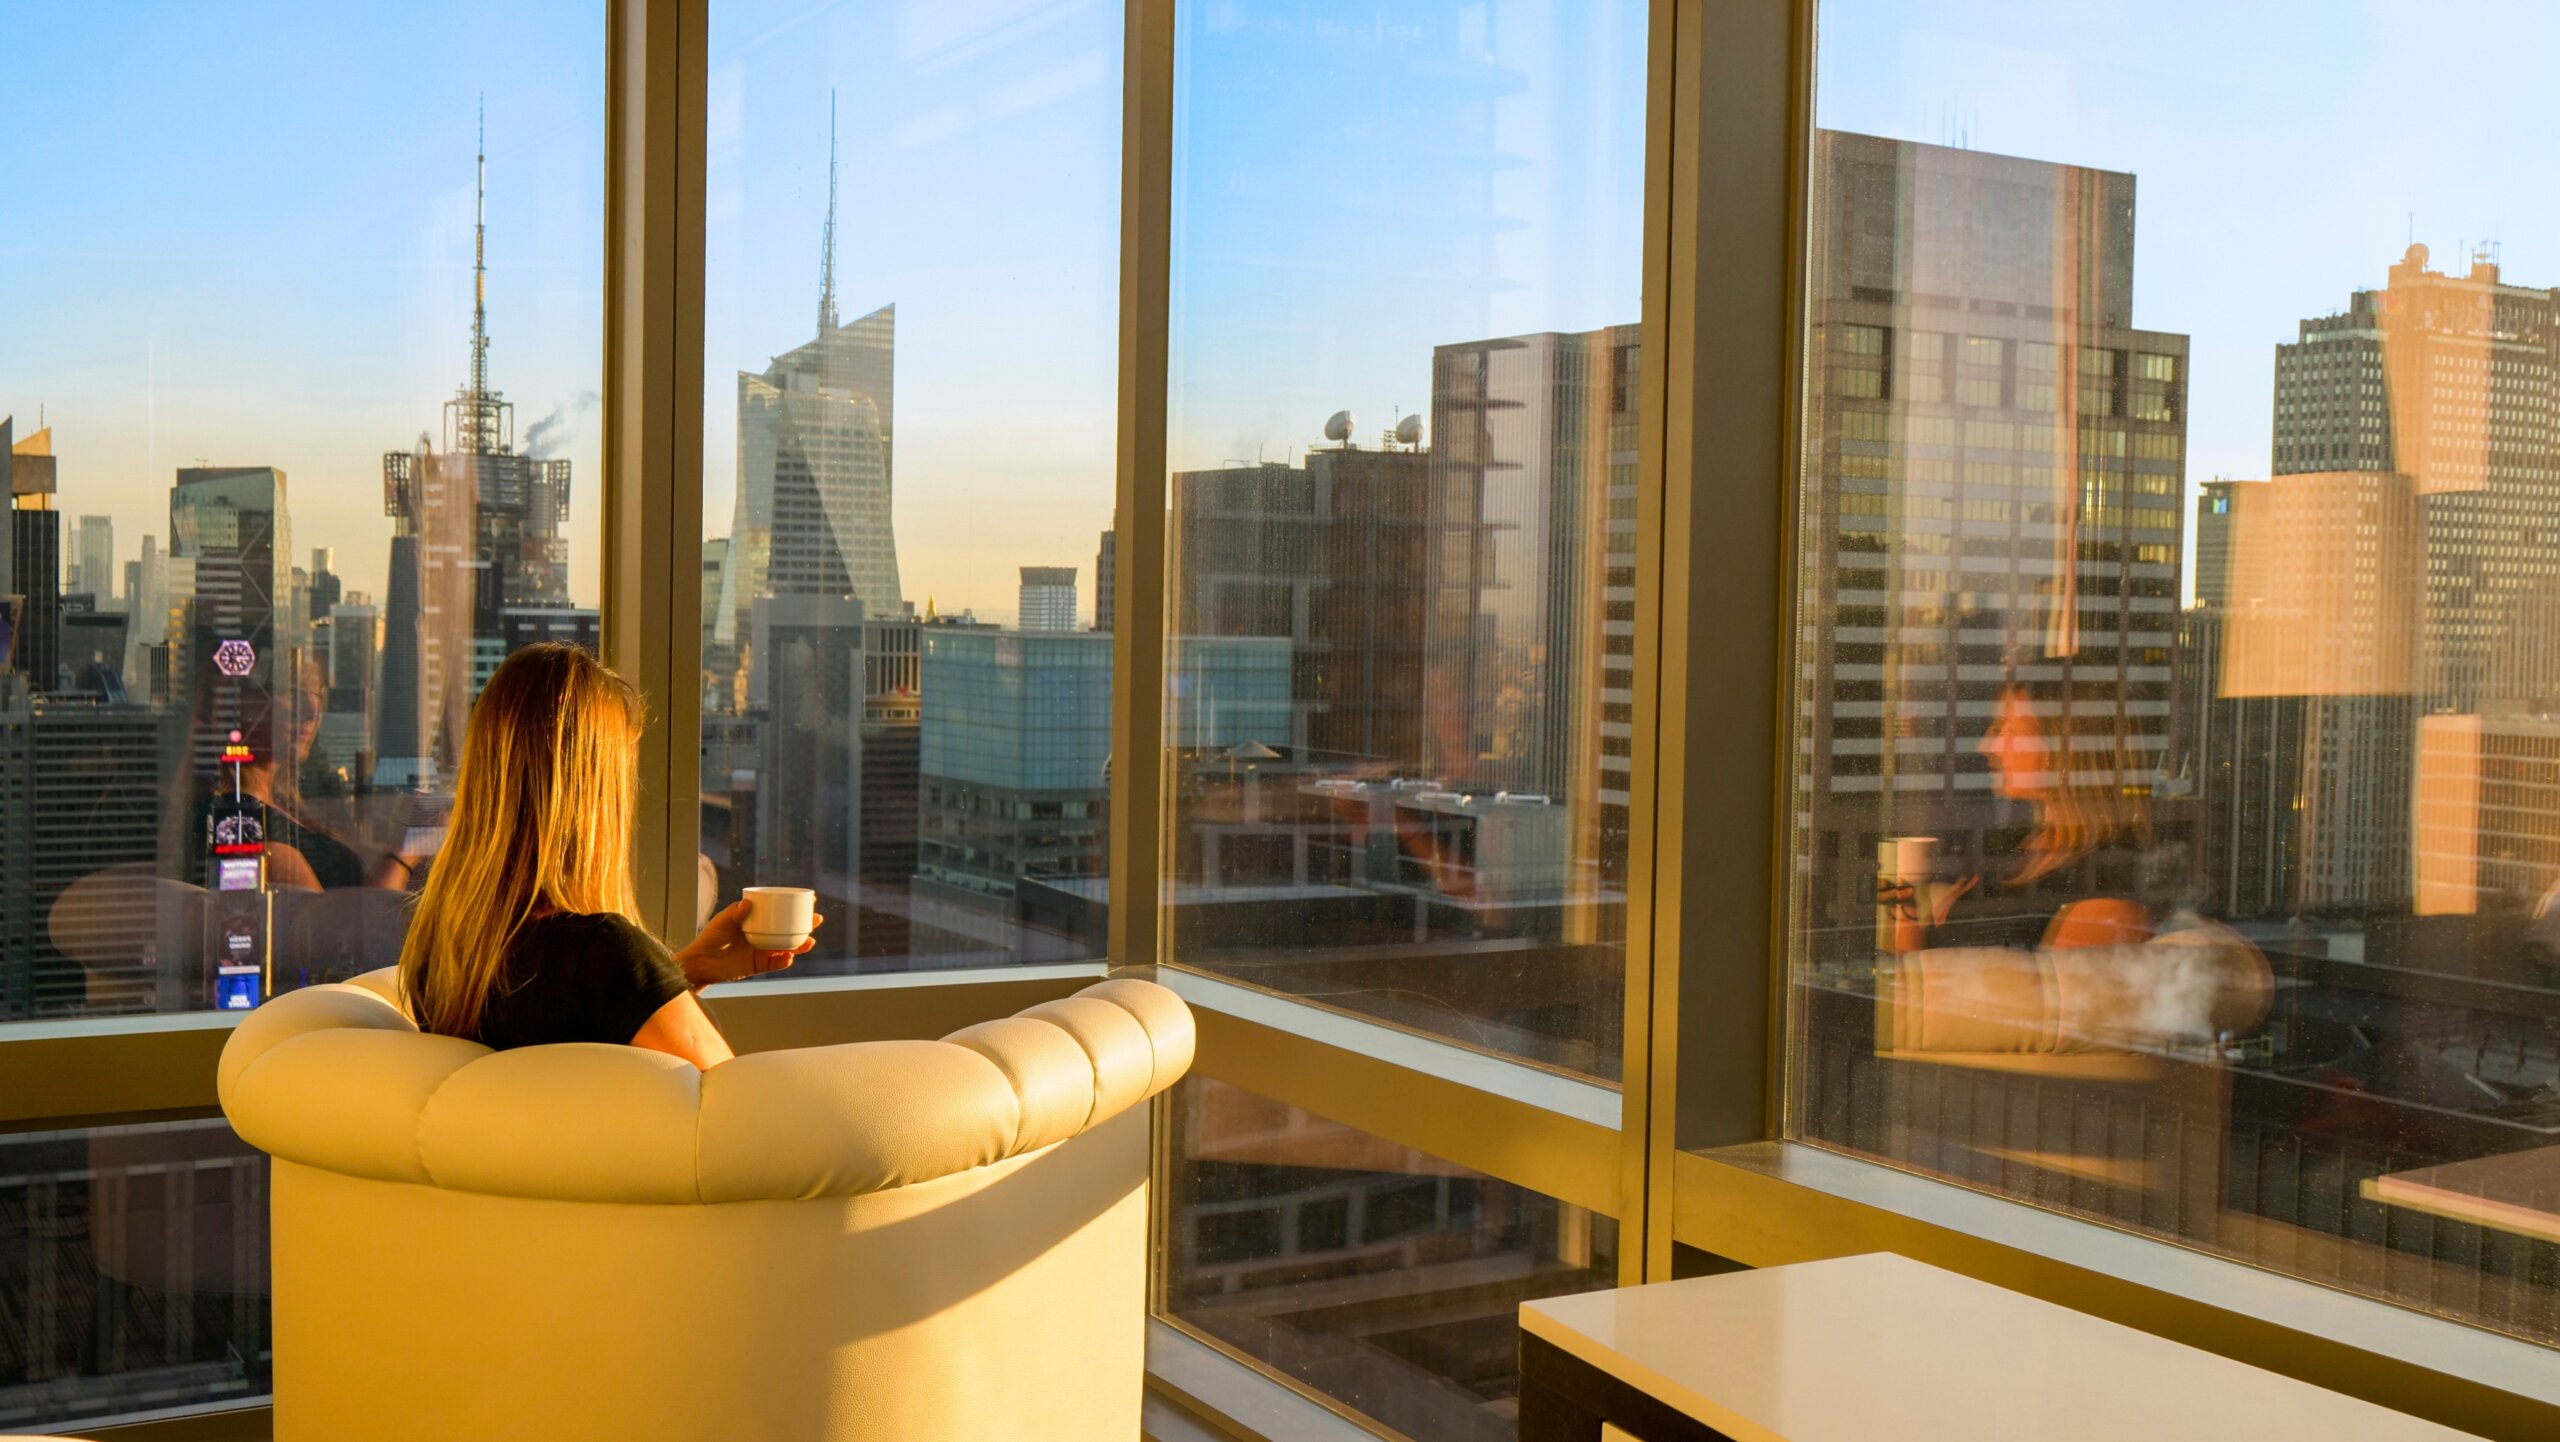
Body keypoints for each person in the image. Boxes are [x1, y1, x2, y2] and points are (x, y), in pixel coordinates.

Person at [398, 644, 818, 1068]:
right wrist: (640, 972)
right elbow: (733, 1104)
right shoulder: (602, 951)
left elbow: (564, 1015)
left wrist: (677, 974)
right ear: (596, 790)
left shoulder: (444, 954)